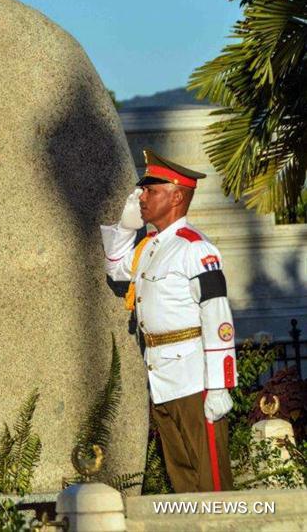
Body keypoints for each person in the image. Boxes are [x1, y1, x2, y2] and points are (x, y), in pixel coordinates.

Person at [100, 150, 237, 492]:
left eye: (150, 190)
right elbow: (115, 267)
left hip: (195, 380)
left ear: (177, 196)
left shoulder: (195, 249)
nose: (141, 197)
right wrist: (125, 226)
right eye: (141, 191)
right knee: (183, 483)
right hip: (162, 377)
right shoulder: (150, 247)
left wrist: (220, 384)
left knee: (211, 484)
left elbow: (217, 315)